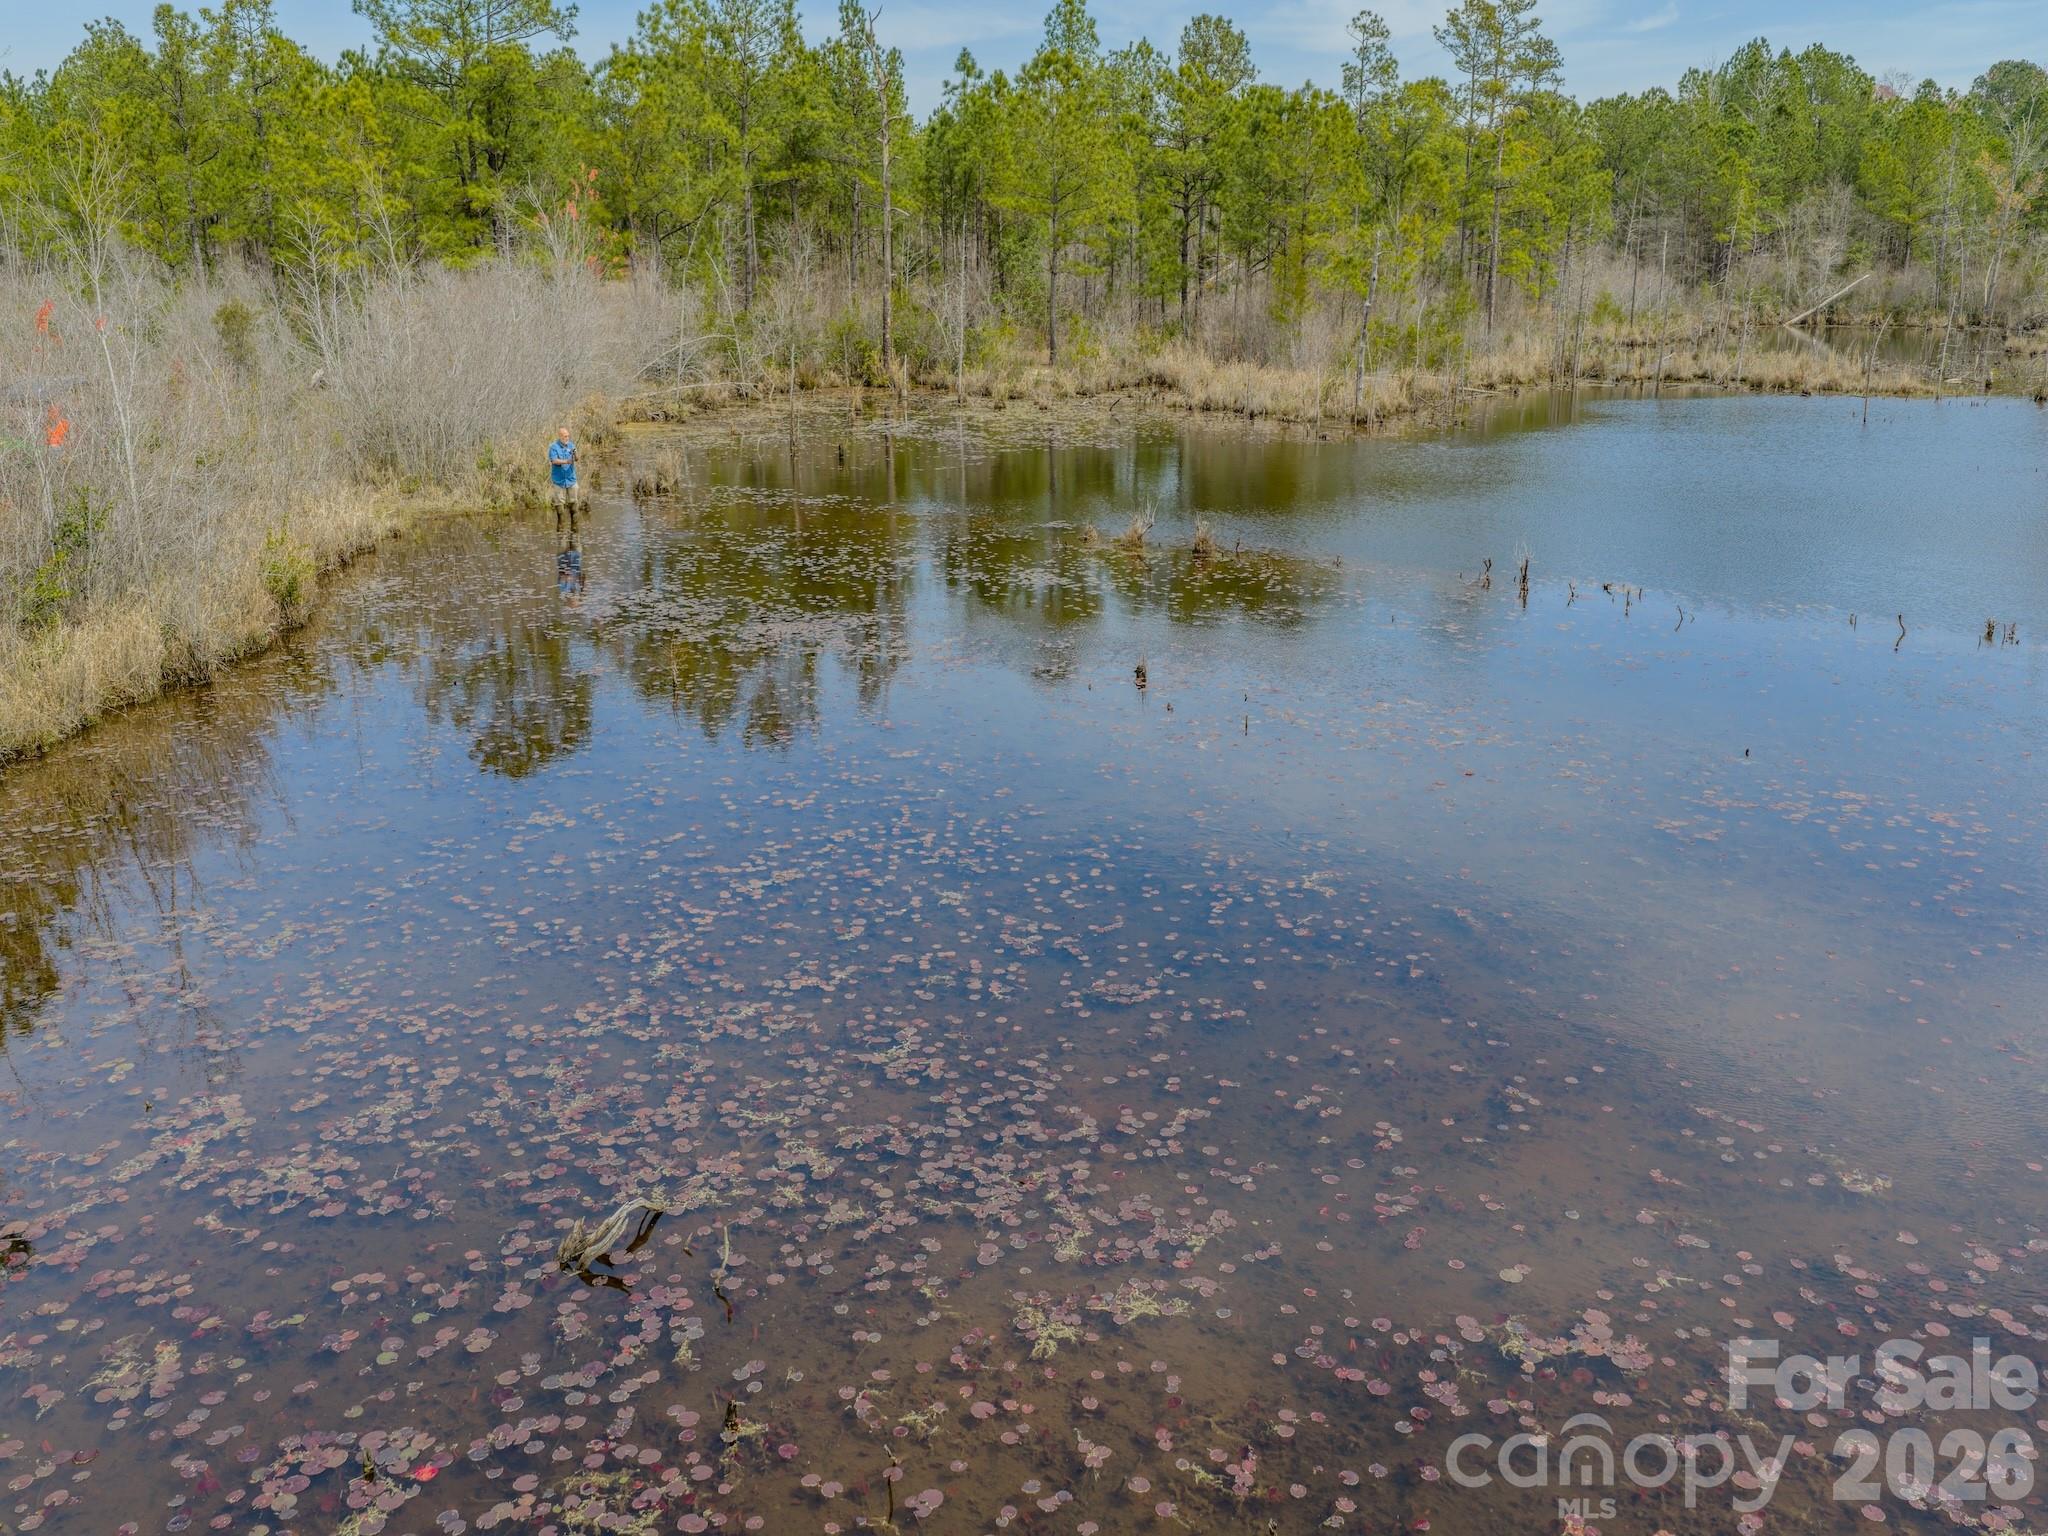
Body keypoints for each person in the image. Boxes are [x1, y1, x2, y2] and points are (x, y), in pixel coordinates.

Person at [548, 426, 579, 531]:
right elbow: (554, 460)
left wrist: (575, 453)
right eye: (565, 436)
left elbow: (577, 459)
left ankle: (574, 528)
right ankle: (561, 528)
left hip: (571, 479)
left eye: (568, 436)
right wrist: (566, 461)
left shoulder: (571, 445)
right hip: (559, 481)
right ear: (560, 436)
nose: (567, 438)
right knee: (559, 505)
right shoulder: (553, 447)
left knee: (574, 503)